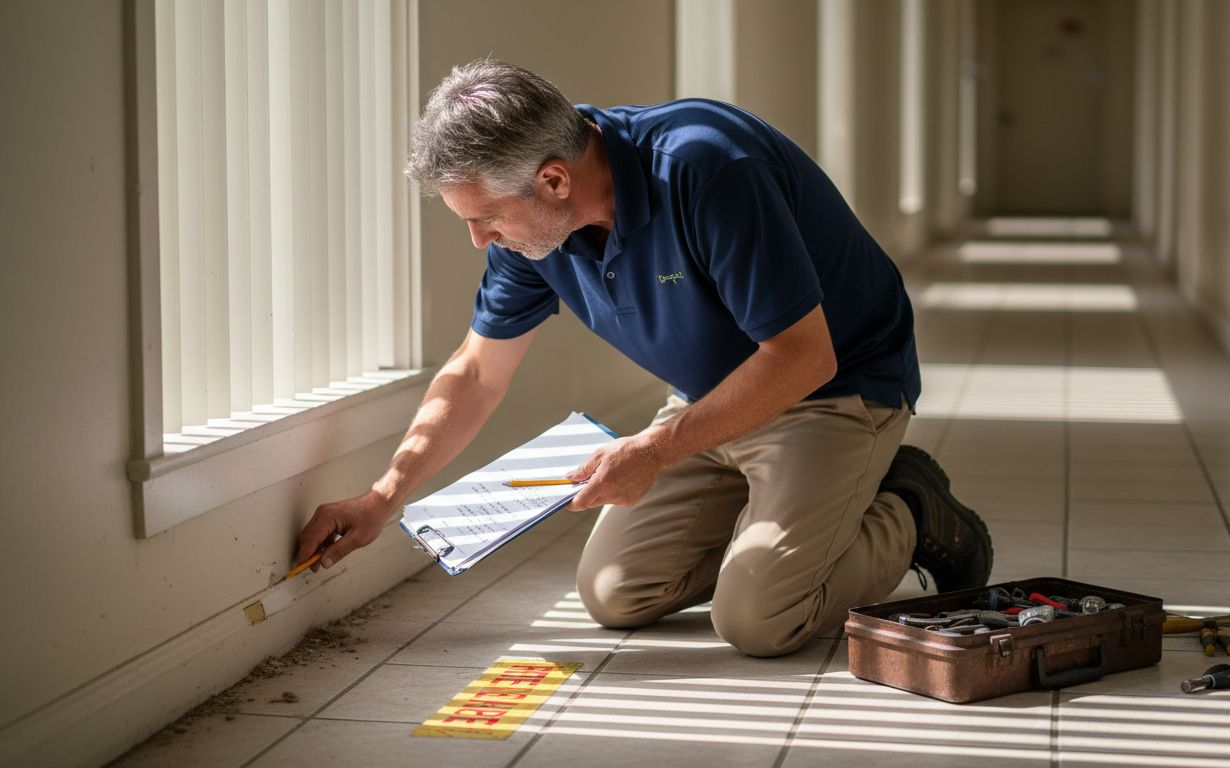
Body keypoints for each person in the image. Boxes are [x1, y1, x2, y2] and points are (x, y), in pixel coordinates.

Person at [295, 59, 992, 657]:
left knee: (760, 619)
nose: (480, 240)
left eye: (485, 218)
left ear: (555, 181)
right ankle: (791, 523)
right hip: (708, 399)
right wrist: (384, 496)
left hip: (834, 390)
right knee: (615, 594)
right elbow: (476, 372)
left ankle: (908, 508)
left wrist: (656, 450)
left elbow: (803, 357)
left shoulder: (708, 168)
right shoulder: (533, 233)